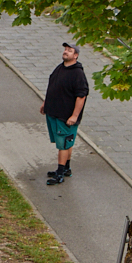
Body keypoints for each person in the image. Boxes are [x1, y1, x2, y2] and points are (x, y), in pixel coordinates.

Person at [41, 42, 89, 185]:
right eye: (65, 49)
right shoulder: (60, 68)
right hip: (53, 112)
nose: (66, 52)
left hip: (65, 116)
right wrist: (45, 103)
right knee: (67, 142)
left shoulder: (78, 74)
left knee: (63, 144)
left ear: (76, 55)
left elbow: (81, 96)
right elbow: (53, 86)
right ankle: (66, 168)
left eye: (70, 50)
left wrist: (74, 116)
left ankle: (60, 173)